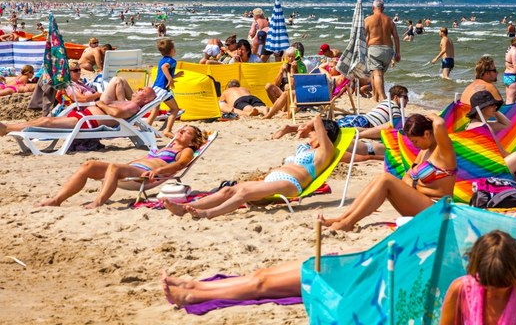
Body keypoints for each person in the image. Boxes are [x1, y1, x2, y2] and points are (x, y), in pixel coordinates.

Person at [162, 116, 339, 219]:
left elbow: (317, 119)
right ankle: (185, 208)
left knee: (243, 194)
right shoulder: (307, 149)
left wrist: (308, 125)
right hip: (274, 180)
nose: (310, 134)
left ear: (323, 133)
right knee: (228, 191)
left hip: (290, 183)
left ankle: (208, 213)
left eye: (313, 132)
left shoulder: (325, 152)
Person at [319, 113, 456, 231]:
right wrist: (408, 181)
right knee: (380, 178)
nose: (414, 145)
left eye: (415, 141)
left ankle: (347, 223)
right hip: (419, 204)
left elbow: (439, 124)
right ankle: (342, 218)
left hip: (436, 209)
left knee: (386, 179)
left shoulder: (444, 151)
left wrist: (431, 116)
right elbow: (408, 174)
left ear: (426, 134)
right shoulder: (424, 151)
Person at [36, 125, 206, 209]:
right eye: (182, 129)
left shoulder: (187, 150)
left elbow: (181, 164)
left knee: (114, 167)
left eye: (187, 132)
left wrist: (159, 171)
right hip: (133, 169)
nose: (182, 131)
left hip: (145, 176)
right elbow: (145, 157)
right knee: (88, 165)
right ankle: (56, 200)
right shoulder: (166, 147)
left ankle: (98, 202)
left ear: (192, 141)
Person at [440, 230, 516, 325]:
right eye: (487, 285)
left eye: (503, 285)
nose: (495, 293)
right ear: (476, 273)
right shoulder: (460, 291)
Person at [0, 82, 156, 136]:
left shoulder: (133, 106)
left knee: (47, 121)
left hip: (88, 122)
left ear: (146, 99)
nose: (139, 89)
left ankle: (7, 128)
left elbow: (116, 114)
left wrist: (100, 104)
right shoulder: (128, 102)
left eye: (143, 90)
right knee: (46, 120)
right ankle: (8, 128)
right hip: (86, 116)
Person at [464, 91, 516, 179]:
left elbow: (507, 124)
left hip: (479, 170)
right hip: (489, 173)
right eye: (492, 105)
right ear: (482, 108)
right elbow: (502, 153)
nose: (495, 107)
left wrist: (493, 110)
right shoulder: (484, 127)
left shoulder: (472, 125)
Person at [364, 0, 401, 101]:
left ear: (373, 8)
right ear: (383, 8)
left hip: (374, 49)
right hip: (388, 50)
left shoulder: (368, 20)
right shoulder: (389, 20)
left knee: (377, 74)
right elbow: (396, 37)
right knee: (378, 75)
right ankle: (375, 97)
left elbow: (363, 36)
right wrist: (397, 52)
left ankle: (383, 97)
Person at [146, 38, 183, 138]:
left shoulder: (161, 60)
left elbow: (163, 74)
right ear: (171, 50)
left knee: (154, 111)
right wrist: (170, 79)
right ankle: (168, 130)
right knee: (175, 109)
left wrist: (175, 76)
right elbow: (164, 68)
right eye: (174, 48)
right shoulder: (172, 61)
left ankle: (146, 129)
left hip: (156, 88)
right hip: (163, 90)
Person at [336, 85, 408, 128]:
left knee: (337, 125)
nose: (407, 100)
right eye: (405, 97)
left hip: (362, 118)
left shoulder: (385, 102)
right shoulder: (394, 105)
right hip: (366, 122)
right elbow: (398, 123)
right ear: (396, 97)